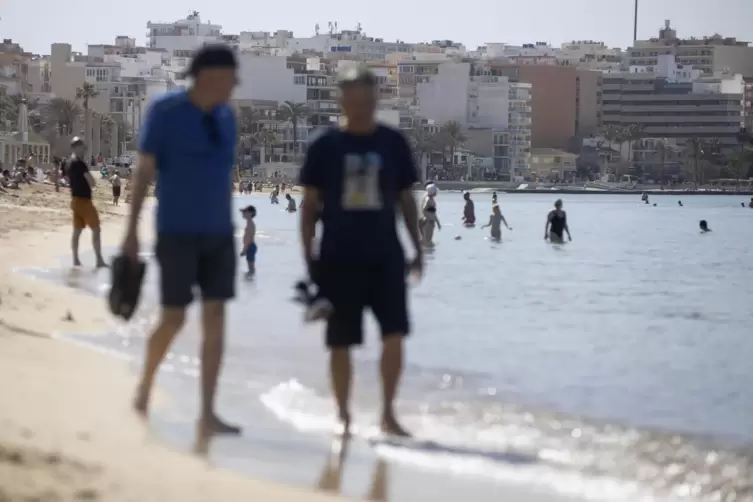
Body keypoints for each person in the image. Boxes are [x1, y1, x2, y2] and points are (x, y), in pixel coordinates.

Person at [121, 44, 241, 441]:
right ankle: (144, 386)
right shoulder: (166, 111)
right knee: (174, 318)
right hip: (176, 232)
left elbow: (224, 177)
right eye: (231, 78)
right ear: (209, 76)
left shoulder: (227, 117)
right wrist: (130, 233)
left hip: (220, 235)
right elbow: (143, 172)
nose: (235, 86)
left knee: (216, 319)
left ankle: (207, 412)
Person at [299, 65, 422, 438]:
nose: (360, 108)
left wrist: (418, 248)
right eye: (352, 101)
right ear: (341, 101)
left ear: (376, 100)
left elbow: (406, 200)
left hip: (386, 256)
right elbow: (308, 208)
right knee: (340, 342)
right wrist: (310, 258)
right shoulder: (325, 146)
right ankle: (343, 415)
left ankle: (387, 413)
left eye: (366, 101)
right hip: (338, 259)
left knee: (394, 335)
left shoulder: (392, 143)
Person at [67, 137, 107, 268]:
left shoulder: (68, 162)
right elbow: (92, 182)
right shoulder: (80, 163)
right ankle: (99, 261)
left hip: (74, 200)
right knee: (96, 229)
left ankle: (75, 259)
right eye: (83, 147)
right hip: (84, 201)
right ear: (77, 147)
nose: (84, 150)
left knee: (77, 231)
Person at [240, 205, 257, 278]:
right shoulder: (249, 223)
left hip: (250, 246)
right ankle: (251, 281)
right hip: (250, 246)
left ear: (250, 213)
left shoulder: (250, 224)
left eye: (244, 212)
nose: (243, 213)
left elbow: (248, 238)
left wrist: (244, 250)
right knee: (250, 267)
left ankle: (251, 280)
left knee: (251, 268)